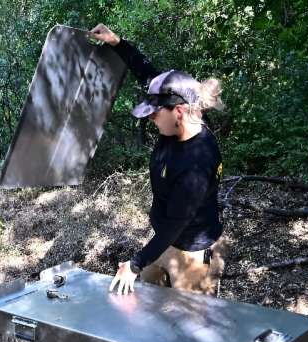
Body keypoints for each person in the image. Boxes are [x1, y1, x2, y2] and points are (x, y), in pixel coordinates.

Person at [89, 23, 228, 296]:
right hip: (163, 240)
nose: (150, 118)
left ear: (178, 112)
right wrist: (117, 42)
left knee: (189, 330)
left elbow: (179, 222)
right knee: (150, 312)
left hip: (192, 252)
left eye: (154, 114)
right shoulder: (178, 113)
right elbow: (146, 71)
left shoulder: (196, 163)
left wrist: (135, 263)